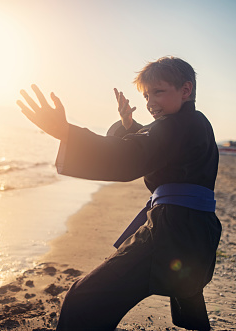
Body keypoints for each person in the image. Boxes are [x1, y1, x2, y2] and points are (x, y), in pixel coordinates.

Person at [17, 56, 222, 331]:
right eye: (147, 95)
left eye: (158, 92)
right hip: (196, 231)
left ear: (186, 90)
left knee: (83, 300)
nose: (150, 102)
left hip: (173, 230)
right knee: (186, 290)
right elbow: (159, 145)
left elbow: (136, 153)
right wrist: (128, 125)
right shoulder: (192, 123)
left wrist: (66, 132)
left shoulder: (180, 125)